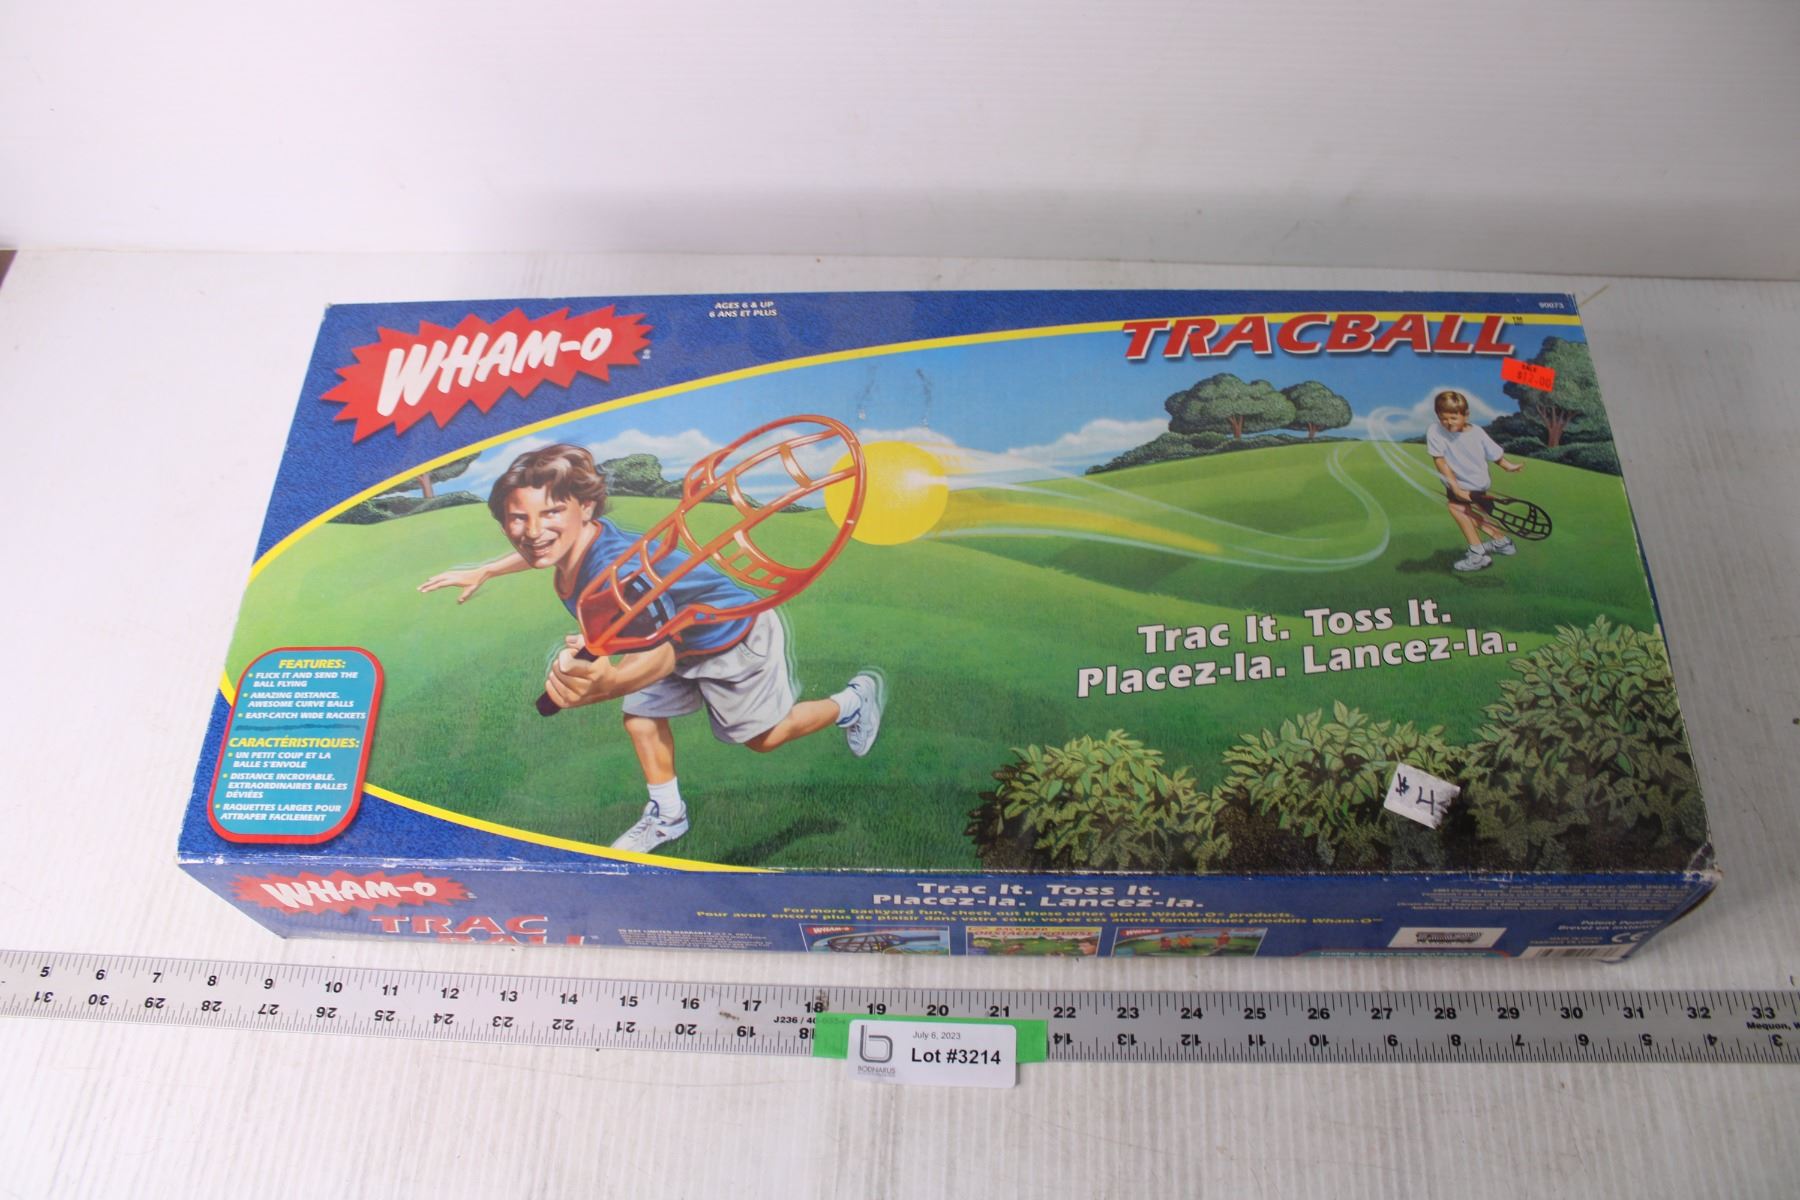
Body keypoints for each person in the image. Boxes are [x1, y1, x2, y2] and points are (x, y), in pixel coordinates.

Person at [419, 443, 884, 853]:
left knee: (764, 739)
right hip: (670, 634)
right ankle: (669, 816)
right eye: (518, 518)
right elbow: (541, 547)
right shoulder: (577, 541)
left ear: (586, 508)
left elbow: (661, 655)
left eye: (552, 513)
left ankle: (852, 702)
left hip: (731, 638)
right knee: (641, 720)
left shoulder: (617, 573)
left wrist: (609, 682)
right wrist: (487, 570)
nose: (533, 530)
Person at [1426, 390, 1524, 573]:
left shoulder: (1477, 432)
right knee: (1466, 511)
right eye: (1443, 418)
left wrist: (1508, 466)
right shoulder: (1435, 430)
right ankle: (1502, 542)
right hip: (1457, 482)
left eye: (1454, 418)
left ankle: (1477, 554)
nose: (1448, 423)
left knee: (1457, 509)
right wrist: (1455, 487)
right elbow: (1440, 460)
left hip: (1473, 483)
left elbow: (1494, 453)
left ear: (1466, 415)